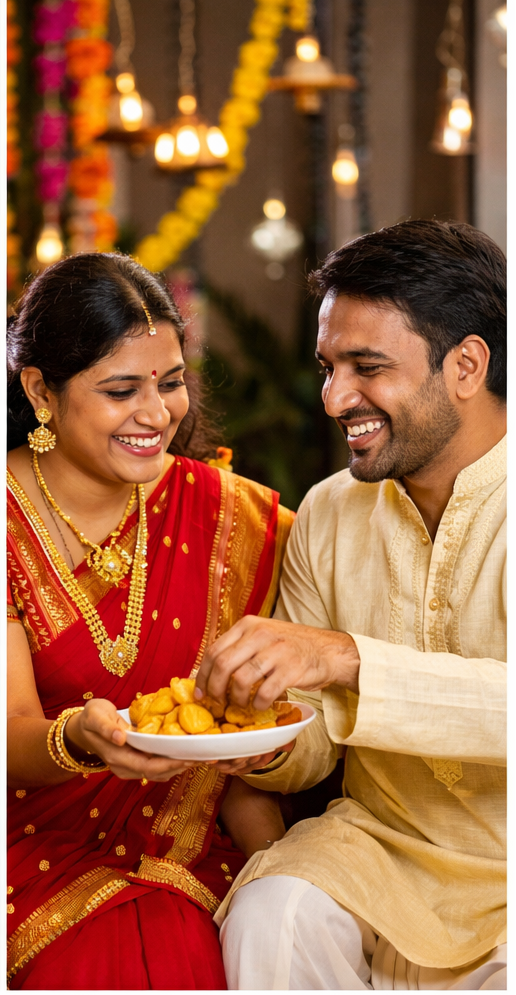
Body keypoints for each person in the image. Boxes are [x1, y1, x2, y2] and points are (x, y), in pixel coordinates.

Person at [195, 220, 507, 990]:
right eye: (329, 366)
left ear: (466, 366)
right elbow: (313, 746)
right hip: (380, 847)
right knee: (274, 913)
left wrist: (345, 656)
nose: (336, 397)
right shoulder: (331, 511)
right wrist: (257, 728)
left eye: (367, 367)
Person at [6, 252, 294, 990]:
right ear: (40, 389)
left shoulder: (229, 513)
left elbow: (335, 609)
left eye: (170, 384)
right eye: (120, 390)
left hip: (187, 841)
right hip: (29, 848)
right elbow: (13, 729)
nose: (157, 414)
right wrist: (78, 739)